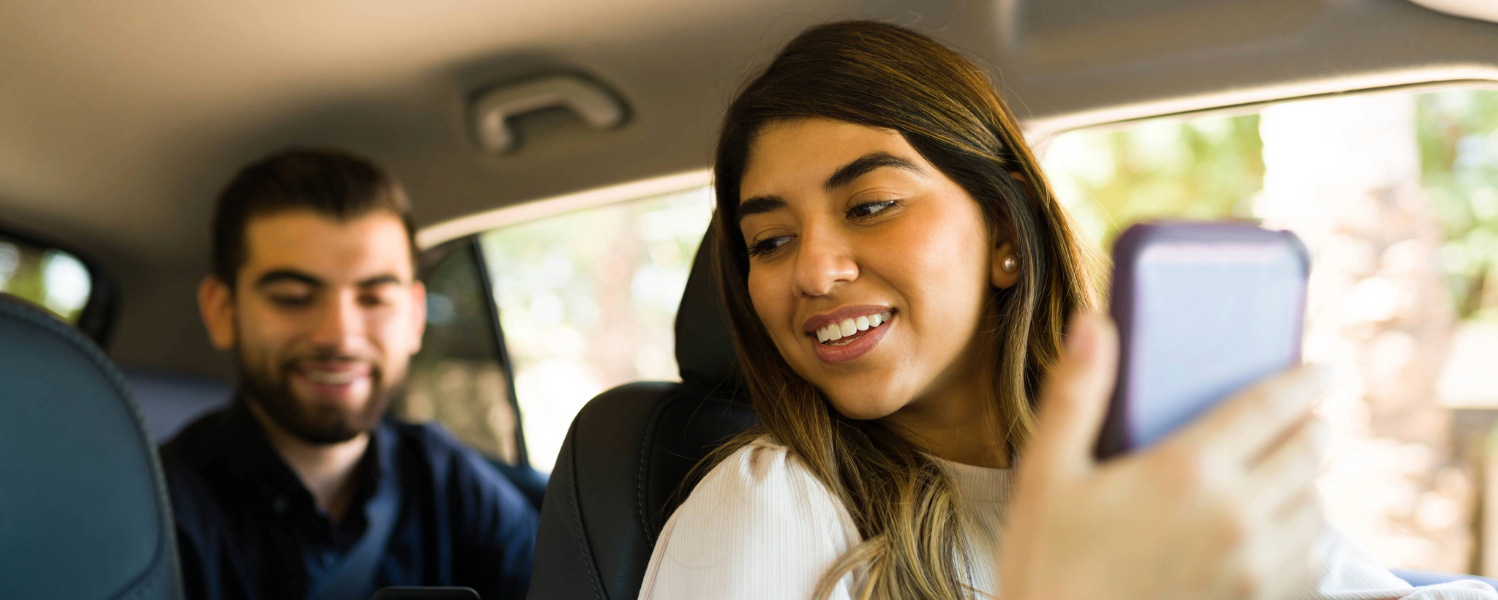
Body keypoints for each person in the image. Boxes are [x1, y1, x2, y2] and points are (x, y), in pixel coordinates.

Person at [639, 21, 1497, 600]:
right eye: (770, 241)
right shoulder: (769, 509)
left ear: (1005, 232)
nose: (814, 271)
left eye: (870, 206)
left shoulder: (1146, 476)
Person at [159, 149, 537, 600]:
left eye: (374, 299)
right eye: (293, 297)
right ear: (222, 311)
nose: (340, 335)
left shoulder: (448, 482)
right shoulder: (156, 511)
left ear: (414, 317)